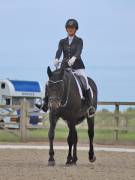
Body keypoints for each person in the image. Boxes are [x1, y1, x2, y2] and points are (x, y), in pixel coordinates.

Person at [37, 19, 95, 114]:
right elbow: (59, 50)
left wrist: (74, 58)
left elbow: (79, 51)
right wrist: (56, 58)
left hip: (77, 67)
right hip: (65, 67)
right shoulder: (62, 41)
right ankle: (45, 103)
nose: (70, 29)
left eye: (72, 28)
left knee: (85, 82)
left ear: (75, 29)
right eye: (69, 28)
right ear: (66, 29)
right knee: (50, 81)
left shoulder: (79, 40)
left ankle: (90, 106)